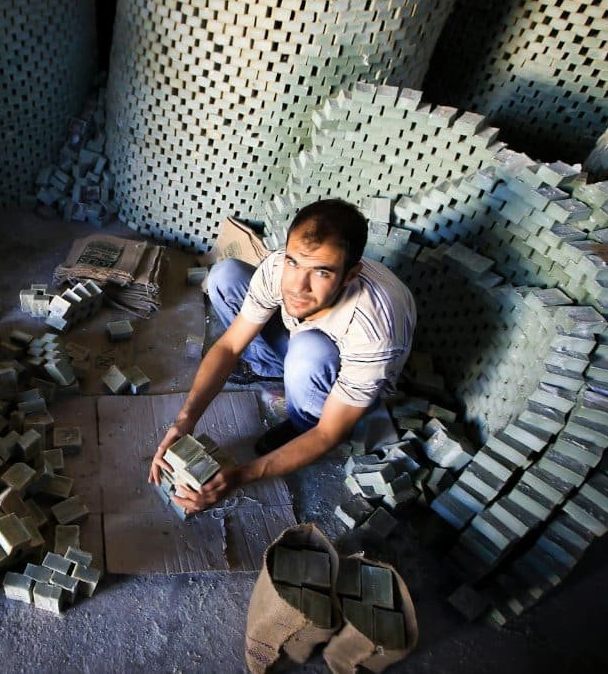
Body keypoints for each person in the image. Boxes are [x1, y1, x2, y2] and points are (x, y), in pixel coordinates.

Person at [148, 199, 416, 514]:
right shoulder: (279, 268)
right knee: (226, 275)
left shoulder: (374, 330)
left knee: (309, 352)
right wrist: (183, 422)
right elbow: (230, 346)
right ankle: (270, 369)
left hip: (341, 372)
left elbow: (330, 432)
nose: (298, 285)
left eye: (321, 272)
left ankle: (303, 421)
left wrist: (242, 475)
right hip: (301, 341)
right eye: (294, 262)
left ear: (349, 275)